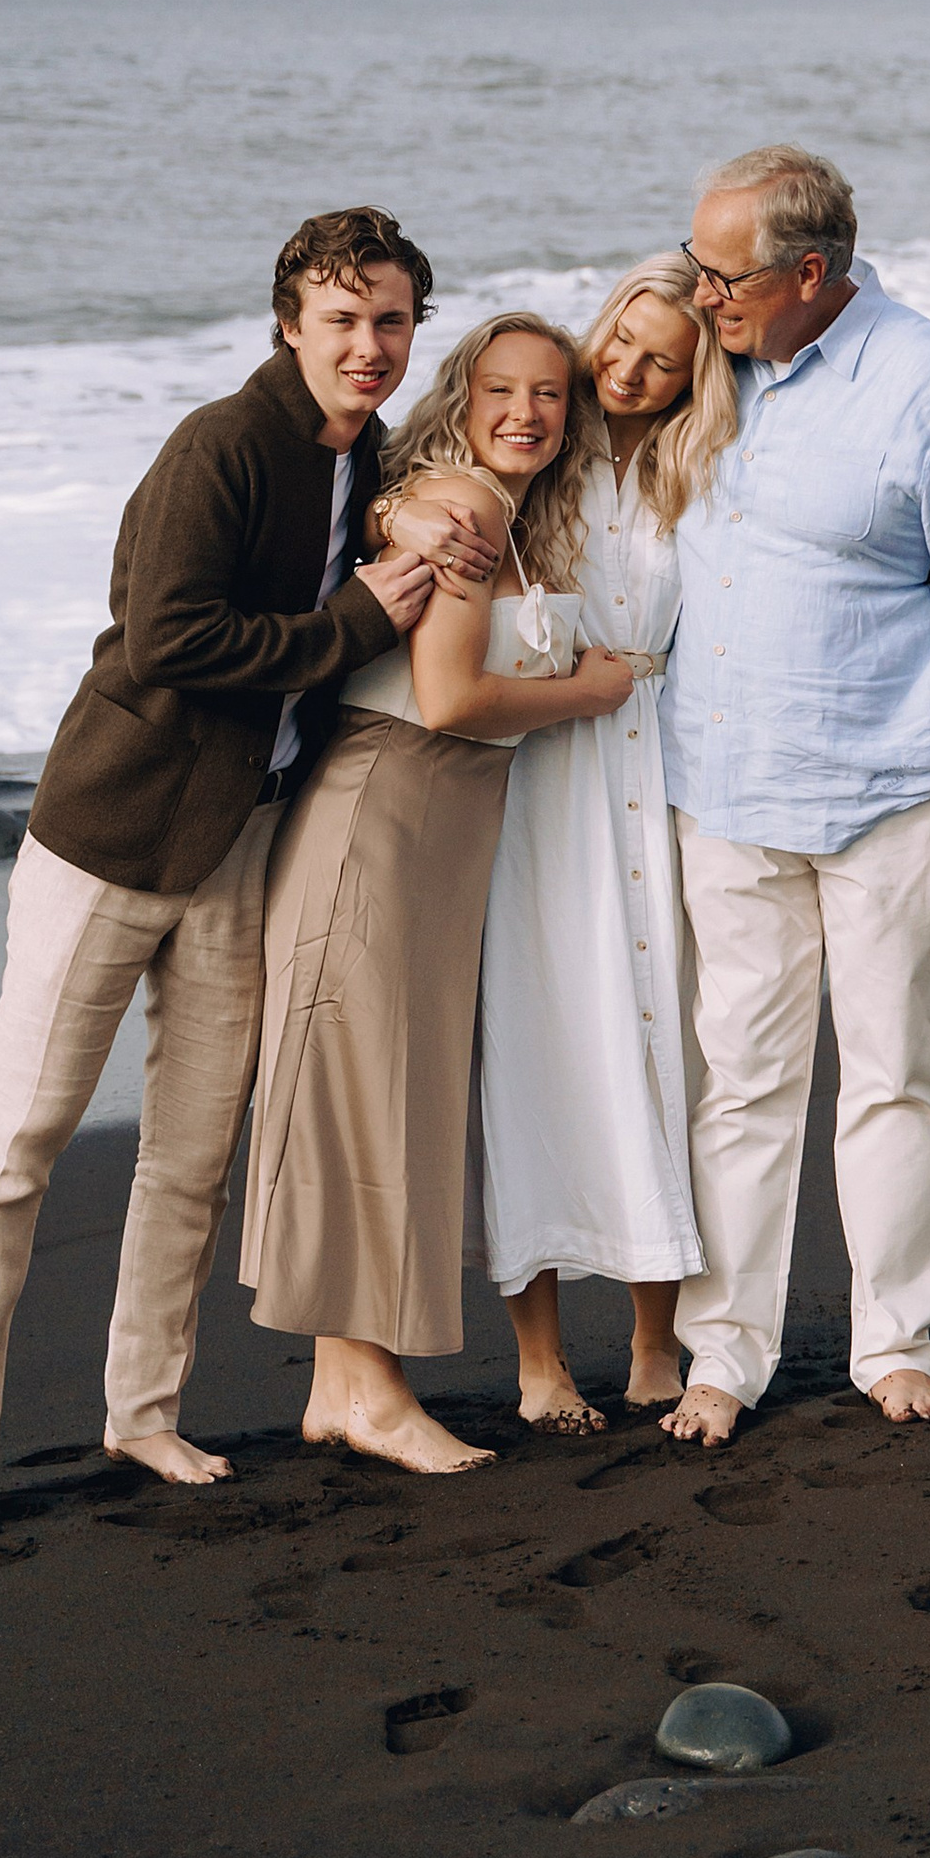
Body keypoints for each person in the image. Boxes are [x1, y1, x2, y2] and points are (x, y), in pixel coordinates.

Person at [0, 209, 444, 1544]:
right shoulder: (221, 443)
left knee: (193, 1155)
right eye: (342, 320)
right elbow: (165, 637)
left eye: (390, 321)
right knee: (20, 1141)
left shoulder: (373, 458)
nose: (369, 345)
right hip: (109, 835)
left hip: (243, 841)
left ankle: (143, 1408)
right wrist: (358, 623)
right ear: (289, 324)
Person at [657, 145, 930, 1443]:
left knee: (893, 1076)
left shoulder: (929, 386)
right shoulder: (703, 360)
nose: (699, 291)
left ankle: (892, 1344)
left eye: (723, 274)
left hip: (890, 793)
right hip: (721, 787)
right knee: (741, 1083)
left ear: (809, 272)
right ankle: (722, 1354)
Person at [242, 314, 633, 1470]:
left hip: (439, 829)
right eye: (501, 389)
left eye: (551, 394)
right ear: (463, 398)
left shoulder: (513, 521)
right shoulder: (460, 507)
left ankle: (342, 1384)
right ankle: (366, 1389)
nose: (527, 412)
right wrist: (591, 690)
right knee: (359, 1095)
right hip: (385, 809)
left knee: (385, 1097)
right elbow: (453, 696)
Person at [466, 254, 736, 1430]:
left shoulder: (704, 473)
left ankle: (652, 1335)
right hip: (537, 784)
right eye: (620, 341)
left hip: (662, 773)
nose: (627, 368)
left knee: (662, 1045)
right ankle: (537, 1359)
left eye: (660, 359)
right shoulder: (532, 456)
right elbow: (420, 484)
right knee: (533, 1047)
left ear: (692, 379)